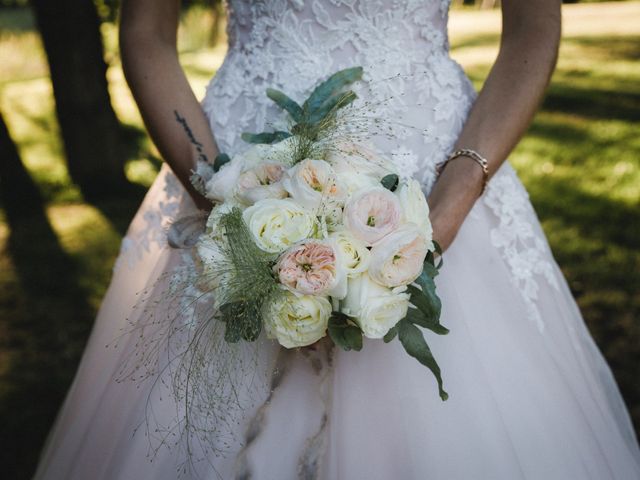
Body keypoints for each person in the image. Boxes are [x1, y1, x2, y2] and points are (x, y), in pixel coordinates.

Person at [34, 1, 640, 479]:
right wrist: (231, 207)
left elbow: (533, 27)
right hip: (236, 167)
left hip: (434, 169)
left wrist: (449, 205)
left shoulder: (448, 200)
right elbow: (146, 32)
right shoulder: (229, 197)